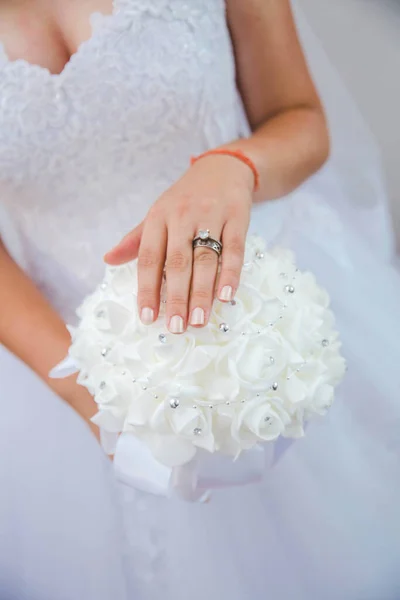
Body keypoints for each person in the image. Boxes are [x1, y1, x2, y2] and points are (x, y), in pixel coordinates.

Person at [0, 1, 399, 599]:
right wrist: (86, 388)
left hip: (263, 310)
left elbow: (301, 116)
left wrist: (234, 165)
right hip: (58, 358)